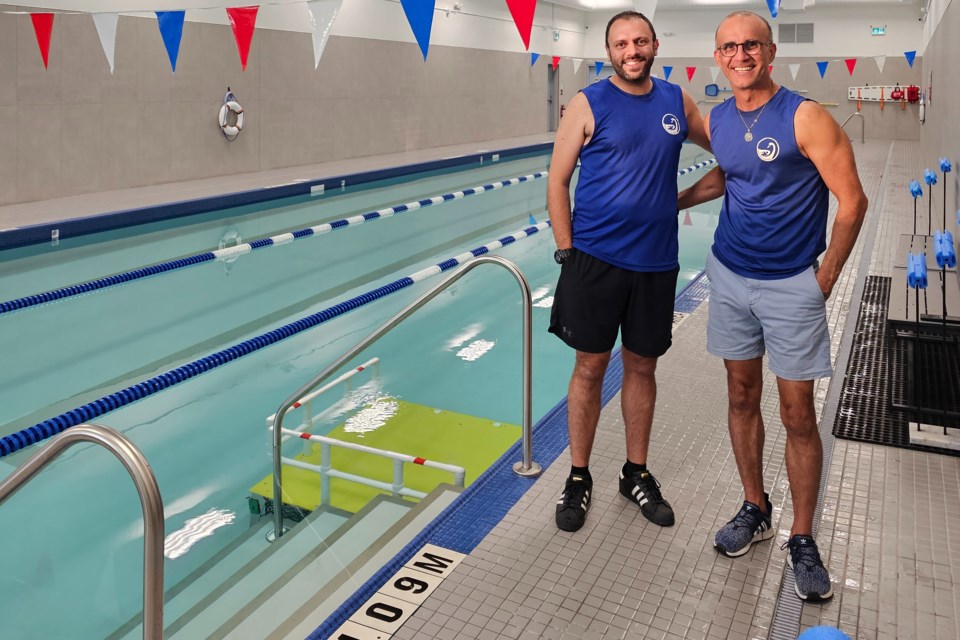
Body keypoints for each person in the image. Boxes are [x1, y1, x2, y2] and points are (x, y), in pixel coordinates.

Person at [678, 11, 867, 601]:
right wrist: (677, 199)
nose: (740, 55)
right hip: (730, 275)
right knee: (740, 395)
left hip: (791, 283)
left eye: (750, 45)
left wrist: (826, 277)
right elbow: (729, 176)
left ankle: (803, 537)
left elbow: (852, 201)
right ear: (719, 55)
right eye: (729, 47)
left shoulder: (805, 116)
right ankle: (754, 508)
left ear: (770, 50)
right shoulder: (720, 118)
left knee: (797, 414)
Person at [548, 10, 709, 533]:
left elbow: (729, 154)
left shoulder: (676, 101)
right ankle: (578, 476)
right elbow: (557, 183)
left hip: (657, 264)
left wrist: (680, 198)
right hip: (594, 262)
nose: (632, 50)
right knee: (590, 369)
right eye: (621, 43)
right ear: (609, 50)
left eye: (640, 41)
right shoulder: (588, 103)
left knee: (642, 368)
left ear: (656, 45)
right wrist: (567, 254)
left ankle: (634, 472)